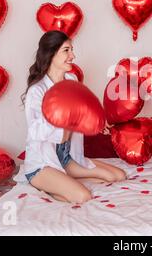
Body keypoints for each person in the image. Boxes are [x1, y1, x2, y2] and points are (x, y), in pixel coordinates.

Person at [21, 30, 126, 204]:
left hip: (66, 158)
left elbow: (84, 109)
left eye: (72, 50)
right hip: (43, 164)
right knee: (82, 196)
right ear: (51, 54)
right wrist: (68, 116)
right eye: (66, 50)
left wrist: (98, 121)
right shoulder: (37, 91)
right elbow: (42, 133)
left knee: (117, 176)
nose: (73, 55)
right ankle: (47, 184)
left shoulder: (72, 79)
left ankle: (66, 180)